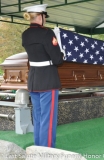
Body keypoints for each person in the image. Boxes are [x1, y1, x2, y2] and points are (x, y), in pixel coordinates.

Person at [22, 4, 64, 147]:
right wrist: (61, 52)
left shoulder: (25, 34)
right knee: (48, 118)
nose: (44, 19)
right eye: (44, 16)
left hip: (34, 80)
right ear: (40, 17)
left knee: (38, 118)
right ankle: (47, 152)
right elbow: (58, 60)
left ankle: (38, 148)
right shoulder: (47, 33)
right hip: (48, 80)